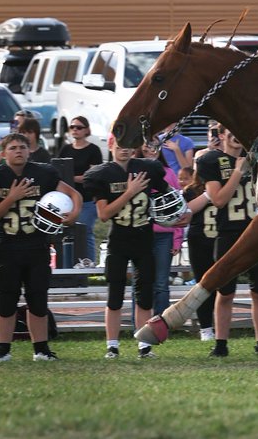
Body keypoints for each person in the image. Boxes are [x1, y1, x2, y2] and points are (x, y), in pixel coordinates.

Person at [0, 132, 82, 363]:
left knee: (38, 300)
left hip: (37, 245)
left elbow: (73, 194)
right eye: (13, 147)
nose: (18, 151)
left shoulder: (42, 173)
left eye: (22, 147)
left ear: (29, 150)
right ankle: (2, 350)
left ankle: (41, 350)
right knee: (6, 300)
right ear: (3, 154)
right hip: (8, 246)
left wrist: (72, 215)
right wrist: (12, 197)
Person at [83, 133, 175, 359]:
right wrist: (130, 191)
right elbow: (104, 214)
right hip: (119, 239)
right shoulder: (103, 174)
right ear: (111, 146)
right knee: (115, 295)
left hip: (144, 237)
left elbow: (168, 196)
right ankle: (112, 346)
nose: (125, 149)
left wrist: (180, 214)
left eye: (128, 145)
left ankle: (144, 345)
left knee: (145, 296)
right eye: (120, 145)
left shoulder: (146, 168)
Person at [195, 125, 258, 357]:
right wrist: (238, 172)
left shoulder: (257, 158)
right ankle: (221, 343)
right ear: (221, 136)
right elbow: (218, 200)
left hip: (257, 232)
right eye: (230, 131)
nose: (236, 135)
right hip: (228, 232)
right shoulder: (211, 160)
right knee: (225, 291)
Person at [141, 141, 185, 316]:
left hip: (164, 236)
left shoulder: (169, 173)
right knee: (142, 281)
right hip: (141, 234)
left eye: (153, 147)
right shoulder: (135, 172)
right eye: (146, 148)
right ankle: (140, 320)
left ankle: (161, 322)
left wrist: (177, 238)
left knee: (161, 282)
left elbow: (178, 208)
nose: (150, 151)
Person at [179, 164, 218, 341]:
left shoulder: (224, 184)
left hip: (221, 240)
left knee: (222, 288)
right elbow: (185, 211)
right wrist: (207, 195)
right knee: (203, 286)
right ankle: (206, 328)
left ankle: (219, 326)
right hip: (199, 240)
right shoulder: (190, 190)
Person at [57, 115, 103, 263]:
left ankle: (89, 263)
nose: (75, 130)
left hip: (88, 199)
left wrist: (71, 178)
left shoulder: (93, 150)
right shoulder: (65, 149)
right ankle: (69, 262)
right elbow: (57, 169)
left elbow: (93, 176)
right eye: (72, 127)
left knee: (85, 231)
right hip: (67, 200)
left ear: (86, 130)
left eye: (79, 127)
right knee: (67, 233)